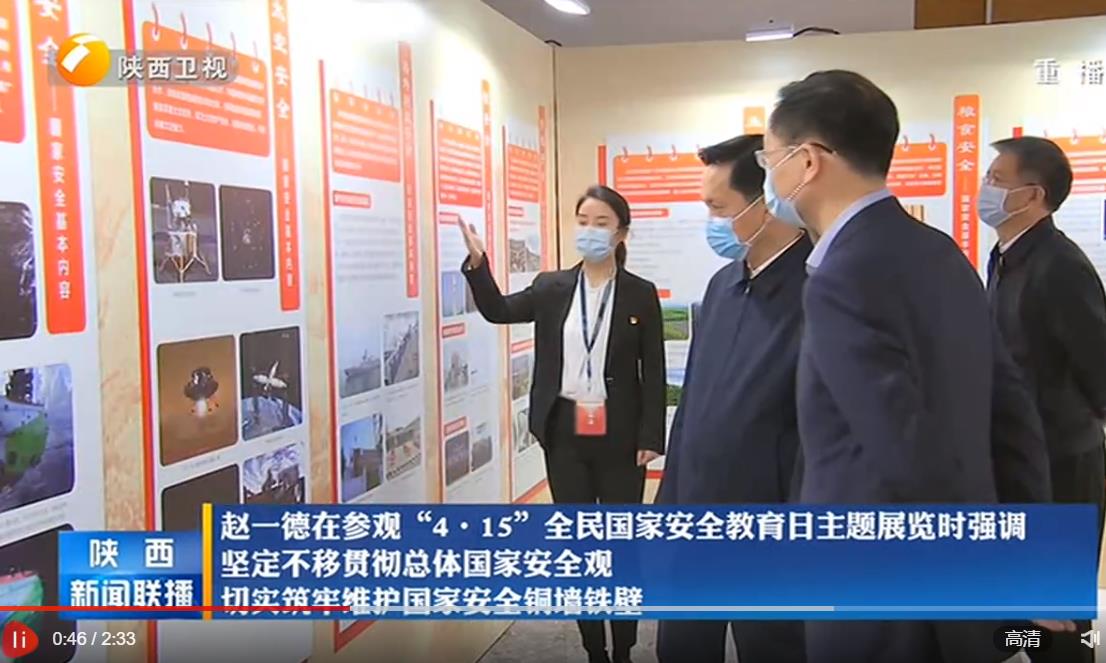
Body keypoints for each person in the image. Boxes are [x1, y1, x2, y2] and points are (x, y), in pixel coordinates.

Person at [759, 70, 1053, 663]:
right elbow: (1012, 412)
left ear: (807, 161)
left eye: (770, 159)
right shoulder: (938, 250)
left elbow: (902, 442)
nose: (769, 176)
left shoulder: (841, 275)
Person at [459, 184, 666, 663]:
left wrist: (651, 436)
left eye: (601, 223)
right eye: (583, 221)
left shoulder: (640, 294)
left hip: (621, 434)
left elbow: (653, 371)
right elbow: (498, 310)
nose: (590, 231)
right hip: (565, 432)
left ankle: (623, 648)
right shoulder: (551, 287)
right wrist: (478, 264)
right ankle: (594, 649)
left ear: (621, 233)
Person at [654, 134, 808, 663]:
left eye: (719, 208)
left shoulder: (820, 290)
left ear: (767, 203)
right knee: (683, 647)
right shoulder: (722, 286)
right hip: (697, 519)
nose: (711, 223)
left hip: (771, 532)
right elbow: (692, 407)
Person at [982, 135, 1106, 663]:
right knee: (1022, 609)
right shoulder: (1005, 257)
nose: (984, 189)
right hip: (1019, 461)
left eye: (996, 180)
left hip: (1061, 464)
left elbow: (1098, 365)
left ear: (1032, 196)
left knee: (1061, 621)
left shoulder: (1060, 266)